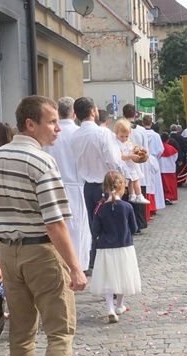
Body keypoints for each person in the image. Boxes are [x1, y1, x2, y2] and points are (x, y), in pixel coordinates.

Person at [0, 95, 87, 356]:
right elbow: (55, 223)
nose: (58, 127)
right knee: (60, 331)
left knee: (21, 334)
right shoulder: (42, 162)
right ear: (31, 124)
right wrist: (75, 266)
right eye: (52, 121)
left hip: (9, 255)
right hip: (41, 253)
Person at [71, 97, 124, 269]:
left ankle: (94, 261)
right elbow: (114, 160)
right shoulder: (103, 133)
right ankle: (107, 265)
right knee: (110, 227)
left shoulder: (75, 135)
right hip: (106, 183)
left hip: (87, 185)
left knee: (94, 226)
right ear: (93, 111)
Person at [42, 97, 90, 272]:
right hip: (76, 184)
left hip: (52, 185)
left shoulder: (48, 133)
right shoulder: (78, 132)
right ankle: (78, 265)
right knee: (77, 229)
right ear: (74, 113)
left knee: (56, 226)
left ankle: (60, 264)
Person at [88, 171, 141, 323]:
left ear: (104, 187)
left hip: (105, 246)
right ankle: (120, 305)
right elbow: (134, 228)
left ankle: (110, 306)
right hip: (124, 245)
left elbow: (95, 230)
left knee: (108, 277)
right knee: (122, 275)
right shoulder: (127, 207)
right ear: (122, 186)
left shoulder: (100, 208)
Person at [114, 118, 150, 205]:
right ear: (116, 133)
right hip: (124, 164)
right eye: (122, 136)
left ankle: (133, 195)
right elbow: (121, 156)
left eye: (126, 136)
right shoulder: (116, 143)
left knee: (134, 179)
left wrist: (137, 150)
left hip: (130, 163)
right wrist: (132, 156)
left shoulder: (127, 141)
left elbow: (133, 147)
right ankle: (138, 195)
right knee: (134, 179)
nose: (124, 138)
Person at [159, 132, 179, 204]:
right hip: (170, 168)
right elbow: (175, 158)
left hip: (160, 168)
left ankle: (162, 197)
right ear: (168, 140)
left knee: (162, 184)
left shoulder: (159, 148)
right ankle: (169, 197)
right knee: (170, 185)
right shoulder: (172, 148)